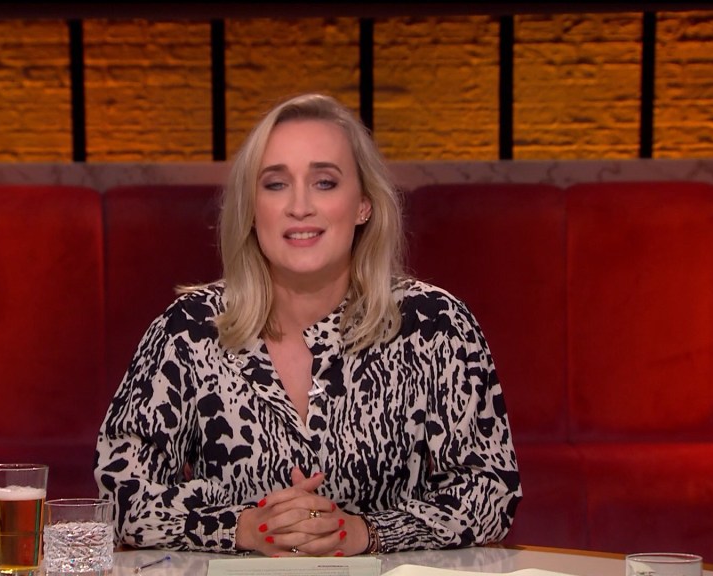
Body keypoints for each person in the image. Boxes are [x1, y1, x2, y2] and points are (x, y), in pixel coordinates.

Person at [94, 92, 521, 557]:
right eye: (276, 184)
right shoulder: (190, 329)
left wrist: (364, 533)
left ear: (363, 204)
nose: (300, 206)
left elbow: (491, 491)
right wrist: (242, 527)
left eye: (324, 182)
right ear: (251, 208)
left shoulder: (434, 325)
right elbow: (121, 496)